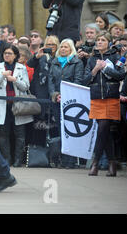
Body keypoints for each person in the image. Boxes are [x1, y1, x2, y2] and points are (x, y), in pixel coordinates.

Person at [85, 32, 125, 177]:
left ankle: (95, 162)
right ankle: (111, 162)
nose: (99, 42)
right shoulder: (91, 59)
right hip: (96, 98)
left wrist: (106, 68)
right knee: (105, 132)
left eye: (103, 40)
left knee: (103, 128)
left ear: (109, 42)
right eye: (98, 40)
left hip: (110, 97)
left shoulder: (115, 57)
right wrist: (95, 69)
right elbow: (84, 80)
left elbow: (121, 75)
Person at [0, 45, 33, 167]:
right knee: (3, 134)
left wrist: (15, 80)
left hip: (18, 104)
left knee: (19, 133)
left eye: (9, 53)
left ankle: (18, 160)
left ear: (15, 55)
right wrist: (2, 75)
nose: (7, 55)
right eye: (5, 53)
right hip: (3, 104)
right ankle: (6, 160)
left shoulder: (21, 68)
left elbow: (26, 86)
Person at [48, 38, 84, 168]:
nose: (63, 49)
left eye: (66, 47)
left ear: (71, 49)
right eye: (61, 47)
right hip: (56, 101)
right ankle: (62, 159)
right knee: (60, 129)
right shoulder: (54, 62)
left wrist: (66, 95)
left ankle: (71, 160)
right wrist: (55, 95)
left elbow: (78, 80)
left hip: (71, 101)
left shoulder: (77, 62)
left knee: (71, 130)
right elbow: (50, 81)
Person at [26, 35, 60, 146]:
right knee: (39, 123)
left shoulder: (59, 58)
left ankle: (54, 153)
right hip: (40, 92)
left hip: (54, 92)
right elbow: (30, 64)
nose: (50, 47)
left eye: (53, 45)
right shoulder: (41, 57)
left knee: (54, 123)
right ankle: (39, 151)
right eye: (48, 45)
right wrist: (37, 56)